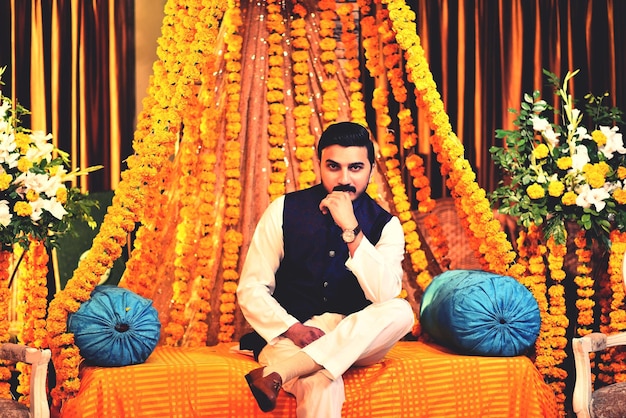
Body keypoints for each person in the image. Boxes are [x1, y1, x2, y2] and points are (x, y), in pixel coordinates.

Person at [237, 121, 414, 417]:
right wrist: (293, 328)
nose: (344, 178)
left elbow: (384, 294)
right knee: (320, 381)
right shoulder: (283, 209)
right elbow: (252, 287)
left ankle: (278, 373)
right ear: (319, 164)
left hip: (357, 338)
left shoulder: (386, 225)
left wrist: (351, 229)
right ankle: (295, 364)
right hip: (291, 334)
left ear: (372, 168)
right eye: (334, 167)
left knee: (401, 311)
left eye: (356, 168)